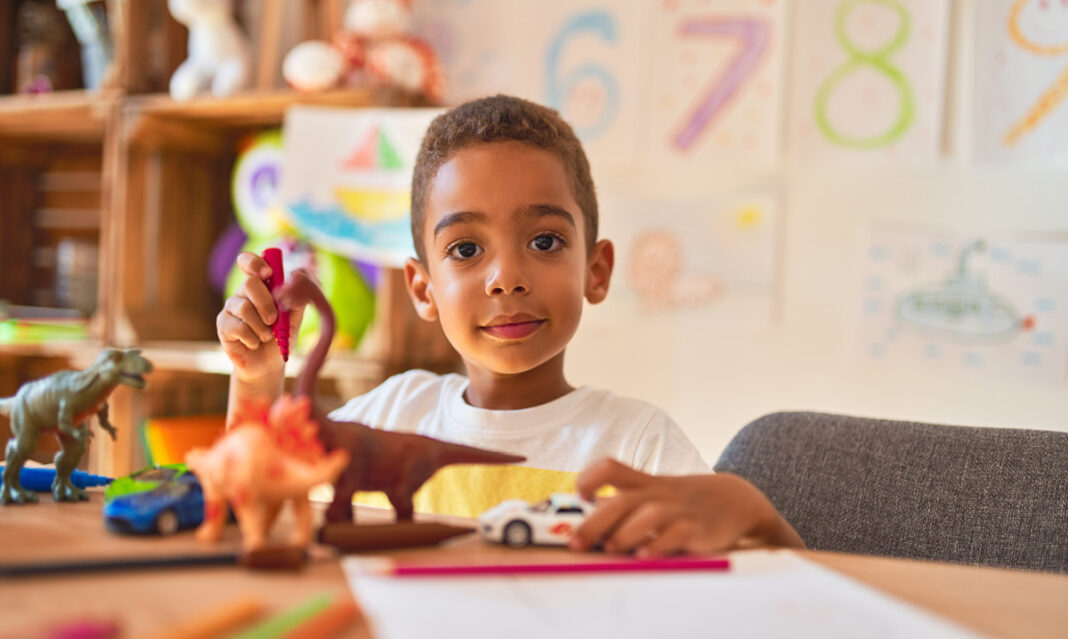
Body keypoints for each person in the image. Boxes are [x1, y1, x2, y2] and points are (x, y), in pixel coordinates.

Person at [216, 95, 800, 554]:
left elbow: (788, 593)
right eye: (466, 249)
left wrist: (752, 511)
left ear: (595, 272)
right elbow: (253, 497)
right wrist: (257, 381)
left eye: (544, 241)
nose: (506, 278)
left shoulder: (638, 443)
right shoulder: (389, 415)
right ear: (423, 288)